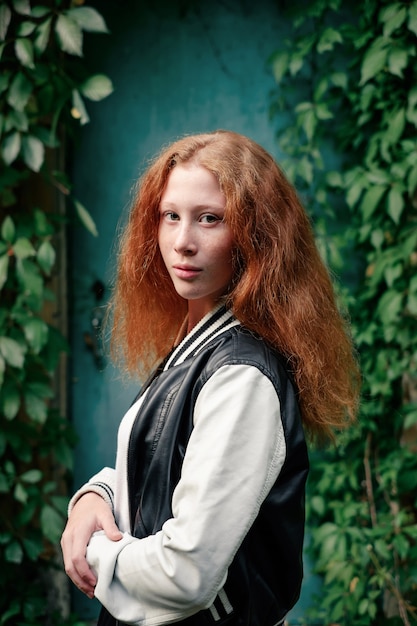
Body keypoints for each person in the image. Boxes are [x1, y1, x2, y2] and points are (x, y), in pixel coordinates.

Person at [61, 130, 359, 626]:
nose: (183, 241)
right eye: (170, 215)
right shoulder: (203, 340)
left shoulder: (240, 374)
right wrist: (100, 495)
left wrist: (95, 551)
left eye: (210, 219)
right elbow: (168, 465)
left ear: (254, 236)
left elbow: (187, 572)